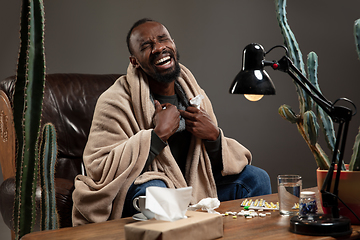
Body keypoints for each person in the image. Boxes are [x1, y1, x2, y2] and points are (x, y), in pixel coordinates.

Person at [72, 18, 271, 226]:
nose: (159, 48)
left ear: (173, 44)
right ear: (135, 61)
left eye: (163, 39)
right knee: (157, 190)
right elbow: (98, 168)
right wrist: (157, 136)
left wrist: (214, 137)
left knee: (257, 179)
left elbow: (204, 164)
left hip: (193, 188)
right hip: (143, 192)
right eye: (146, 46)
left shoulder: (193, 92)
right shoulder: (115, 101)